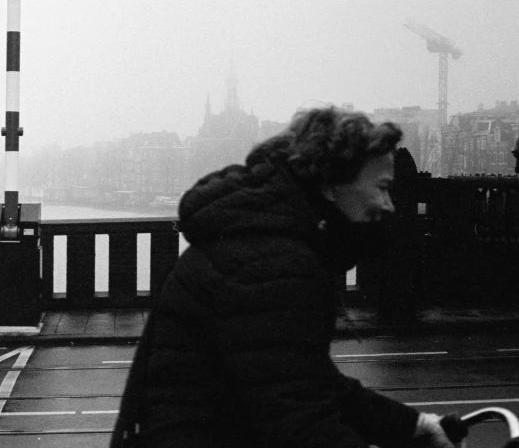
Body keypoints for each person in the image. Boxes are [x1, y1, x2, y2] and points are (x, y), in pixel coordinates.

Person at [111, 107, 457, 448]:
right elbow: (299, 422)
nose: (389, 204)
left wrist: (412, 426)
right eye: (382, 186)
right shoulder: (277, 265)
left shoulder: (261, 240)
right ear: (331, 184)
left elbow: (304, 380)